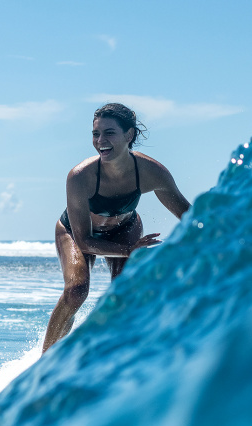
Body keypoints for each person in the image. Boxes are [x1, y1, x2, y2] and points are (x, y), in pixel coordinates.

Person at [42, 103, 192, 352]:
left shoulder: (151, 172)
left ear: (129, 135)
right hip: (77, 233)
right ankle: (44, 363)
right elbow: (85, 242)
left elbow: (187, 215)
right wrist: (130, 250)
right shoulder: (80, 176)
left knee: (122, 297)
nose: (101, 140)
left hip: (125, 229)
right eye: (95, 134)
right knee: (76, 291)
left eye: (109, 133)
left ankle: (117, 356)